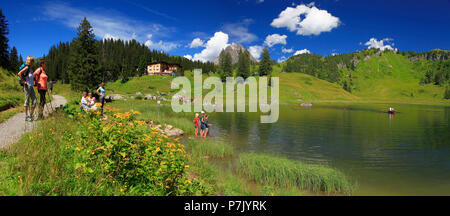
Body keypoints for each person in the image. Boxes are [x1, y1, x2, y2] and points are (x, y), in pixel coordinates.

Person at [17, 56, 37, 121]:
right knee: (27, 101)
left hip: (31, 86)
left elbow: (31, 77)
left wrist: (34, 81)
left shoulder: (31, 68)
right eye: (32, 61)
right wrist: (23, 81)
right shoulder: (26, 67)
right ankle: (26, 116)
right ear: (30, 61)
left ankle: (31, 115)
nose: (33, 62)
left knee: (34, 101)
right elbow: (19, 73)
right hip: (27, 86)